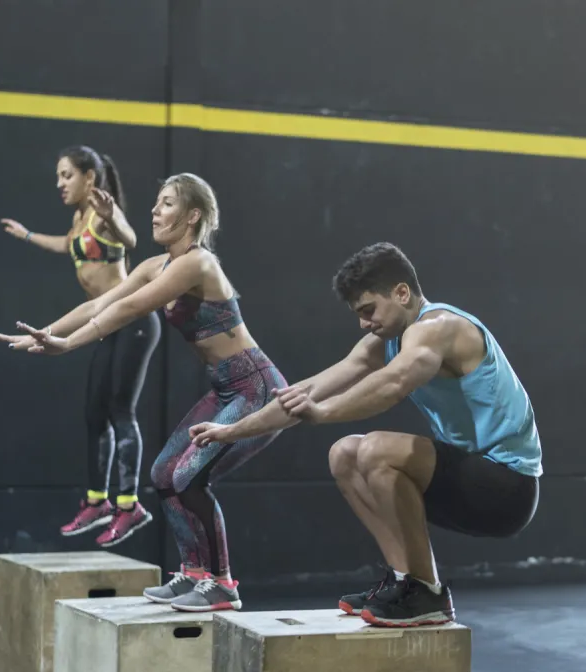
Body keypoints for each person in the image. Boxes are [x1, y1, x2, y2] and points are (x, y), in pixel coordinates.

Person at [189, 242, 542, 627]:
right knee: (343, 453)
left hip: (507, 488)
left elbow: (394, 383)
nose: (364, 323)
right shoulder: (384, 342)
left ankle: (428, 592)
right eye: (358, 314)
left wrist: (323, 413)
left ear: (402, 293)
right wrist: (232, 431)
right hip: (466, 481)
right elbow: (307, 391)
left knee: (376, 449)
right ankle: (404, 581)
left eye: (369, 310)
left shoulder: (439, 328)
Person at [0, 173, 287, 613]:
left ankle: (222, 583)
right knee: (165, 473)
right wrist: (42, 335)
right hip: (225, 389)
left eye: (166, 203)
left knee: (189, 477)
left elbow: (130, 308)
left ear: (192, 216)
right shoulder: (153, 266)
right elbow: (99, 304)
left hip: (255, 387)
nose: (154, 210)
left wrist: (69, 345)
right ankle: (194, 574)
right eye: (157, 202)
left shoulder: (199, 263)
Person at [0, 145, 160, 547]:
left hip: (133, 320)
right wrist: (27, 235)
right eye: (58, 176)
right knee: (94, 414)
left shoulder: (104, 215)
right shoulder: (79, 219)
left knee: (120, 411)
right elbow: (66, 244)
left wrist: (113, 217)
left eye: (67, 175)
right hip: (106, 324)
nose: (60, 183)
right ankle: (97, 501)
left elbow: (130, 237)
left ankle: (129, 505)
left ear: (90, 177)